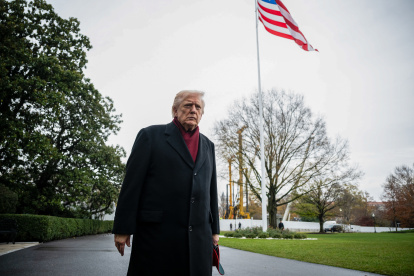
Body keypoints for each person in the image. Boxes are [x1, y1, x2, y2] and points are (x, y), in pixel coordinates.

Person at [112, 90, 220, 276]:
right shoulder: (150, 136)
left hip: (199, 238)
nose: (193, 110)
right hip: (157, 238)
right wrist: (123, 228)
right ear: (175, 110)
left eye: (198, 107)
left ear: (202, 114)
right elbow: (132, 185)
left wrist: (215, 230)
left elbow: (211, 190)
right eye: (188, 105)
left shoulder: (208, 145)